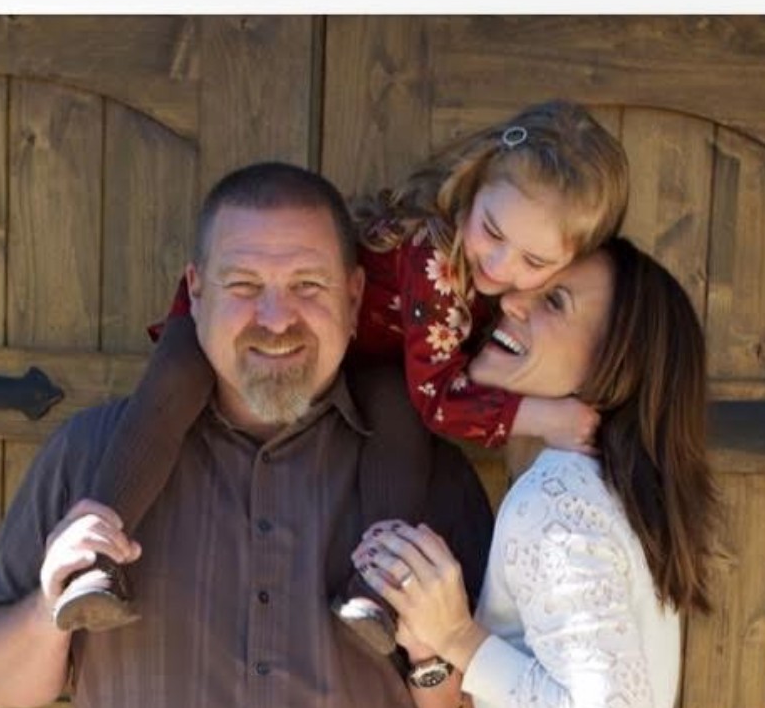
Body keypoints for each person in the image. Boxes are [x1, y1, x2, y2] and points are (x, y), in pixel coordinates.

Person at [0, 162, 495, 708]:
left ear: (354, 298)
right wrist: (49, 611)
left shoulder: (433, 480)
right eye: (243, 284)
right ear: (196, 290)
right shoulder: (92, 457)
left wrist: (434, 656)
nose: (275, 318)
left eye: (307, 285)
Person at [51, 100, 631, 652]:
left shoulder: (491, 282)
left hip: (374, 358)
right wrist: (544, 417)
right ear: (475, 185)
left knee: (400, 434)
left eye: (534, 263)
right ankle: (94, 560)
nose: (500, 267)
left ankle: (374, 590)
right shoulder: (435, 252)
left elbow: (430, 385)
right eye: (494, 233)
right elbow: (442, 402)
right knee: (169, 393)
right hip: (254, 323)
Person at [353, 237, 720, 708]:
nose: (510, 305)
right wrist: (433, 642)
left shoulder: (559, 499)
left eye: (554, 303)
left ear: (614, 365)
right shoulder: (601, 493)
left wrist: (460, 635)